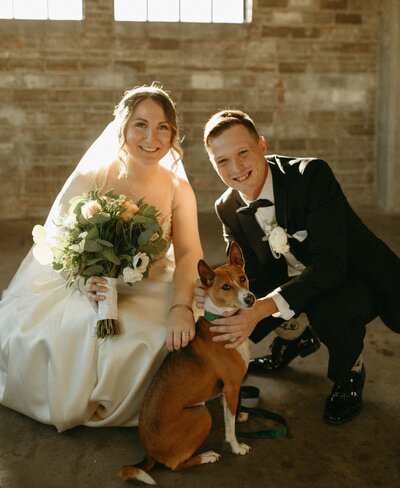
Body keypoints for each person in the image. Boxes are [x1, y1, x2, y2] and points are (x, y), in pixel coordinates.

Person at [0, 83, 203, 432]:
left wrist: (180, 307)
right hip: (87, 281)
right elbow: (57, 239)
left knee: (159, 336)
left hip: (152, 280)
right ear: (122, 127)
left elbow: (188, 252)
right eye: (140, 124)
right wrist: (83, 280)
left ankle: (157, 404)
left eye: (162, 127)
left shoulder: (177, 188)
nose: (151, 137)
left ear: (173, 135)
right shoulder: (92, 176)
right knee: (77, 331)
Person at [195, 109, 400, 425]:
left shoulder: (311, 176)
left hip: (349, 273)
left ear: (262, 146)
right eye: (222, 161)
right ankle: (294, 339)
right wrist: (215, 300)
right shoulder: (227, 207)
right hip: (291, 276)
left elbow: (331, 267)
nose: (235, 168)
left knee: (328, 310)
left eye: (243, 153)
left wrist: (263, 309)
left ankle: (350, 372)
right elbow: (250, 273)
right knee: (238, 302)